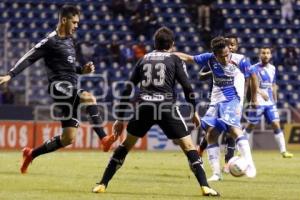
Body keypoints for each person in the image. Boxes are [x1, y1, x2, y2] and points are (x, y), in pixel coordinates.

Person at [92, 27, 219, 197]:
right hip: (166, 107)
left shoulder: (144, 59)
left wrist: (120, 118)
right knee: (189, 147)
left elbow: (127, 88)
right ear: (172, 45)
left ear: (155, 44)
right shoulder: (174, 59)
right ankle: (205, 186)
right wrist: (193, 111)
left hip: (144, 107)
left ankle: (102, 183)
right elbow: (187, 87)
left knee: (125, 146)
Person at [0, 5, 116, 174]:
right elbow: (30, 56)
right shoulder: (51, 41)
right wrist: (10, 75)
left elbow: (68, 66)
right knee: (89, 98)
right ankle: (104, 138)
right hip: (58, 87)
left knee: (67, 138)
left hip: (71, 88)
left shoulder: (70, 40)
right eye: (74, 22)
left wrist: (81, 70)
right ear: (64, 20)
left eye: (78, 22)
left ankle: (31, 154)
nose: (77, 26)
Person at [174, 36, 258, 181]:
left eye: (227, 55)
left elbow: (254, 76)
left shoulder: (240, 60)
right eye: (222, 57)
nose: (225, 59)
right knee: (211, 134)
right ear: (215, 54)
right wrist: (166, 54)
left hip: (233, 99)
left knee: (233, 129)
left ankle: (250, 164)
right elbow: (188, 58)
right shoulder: (208, 58)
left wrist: (254, 98)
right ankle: (216, 174)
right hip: (216, 101)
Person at [197, 34, 243, 175]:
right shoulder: (215, 61)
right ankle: (201, 150)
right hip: (217, 100)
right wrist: (212, 72)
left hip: (236, 100)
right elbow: (200, 75)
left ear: (236, 46)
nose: (230, 47)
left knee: (231, 132)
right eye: (228, 44)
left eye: (232, 44)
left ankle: (227, 164)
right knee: (212, 131)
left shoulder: (240, 61)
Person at [243, 47, 293, 158]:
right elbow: (251, 85)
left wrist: (275, 98)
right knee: (251, 125)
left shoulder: (273, 68)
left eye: (268, 53)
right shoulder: (253, 68)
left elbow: (273, 84)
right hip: (258, 102)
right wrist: (260, 93)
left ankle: (283, 151)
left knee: (276, 124)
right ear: (259, 55)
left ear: (270, 55)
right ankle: (240, 149)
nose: (265, 55)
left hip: (270, 103)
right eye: (263, 53)